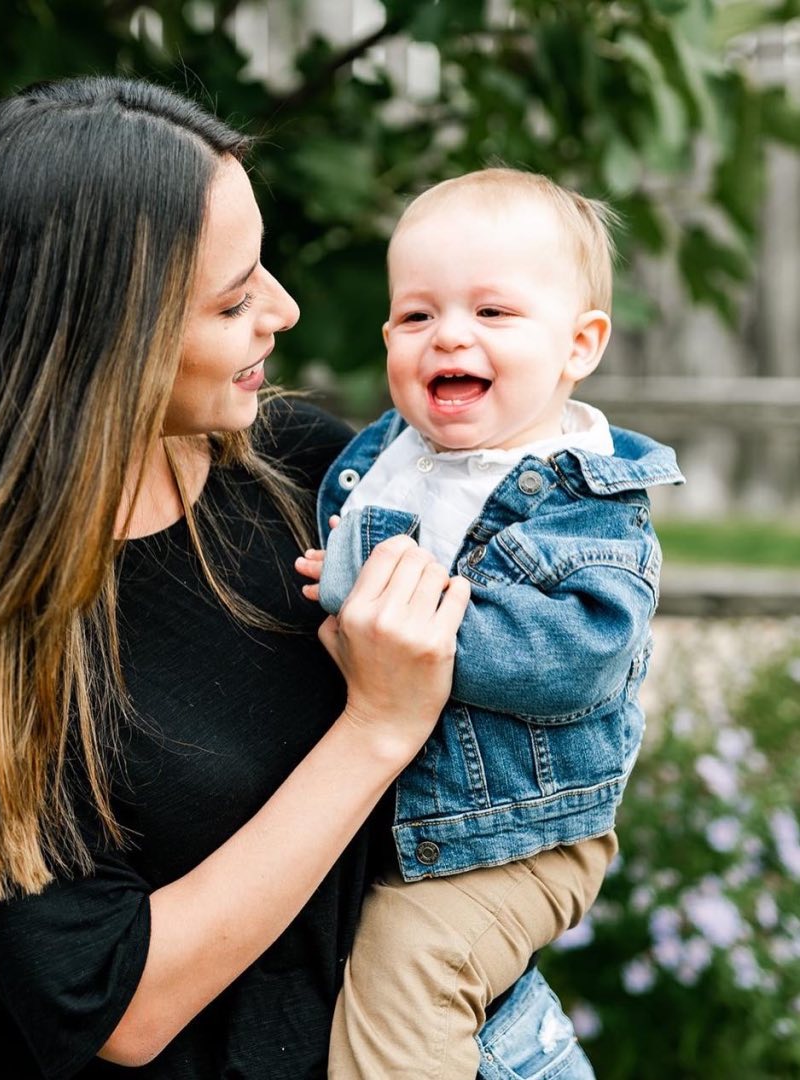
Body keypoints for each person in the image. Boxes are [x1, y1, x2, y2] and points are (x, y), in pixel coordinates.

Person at [0, 80, 595, 1079]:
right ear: (97, 338)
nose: (283, 311)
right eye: (234, 299)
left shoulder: (316, 473)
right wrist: (377, 728)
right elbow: (117, 1008)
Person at [294, 168, 685, 1078]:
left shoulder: (584, 503)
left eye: (493, 313)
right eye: (416, 315)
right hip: (412, 816)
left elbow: (575, 656)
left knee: (409, 972)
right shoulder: (387, 456)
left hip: (518, 839)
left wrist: (383, 610)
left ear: (579, 345)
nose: (448, 335)